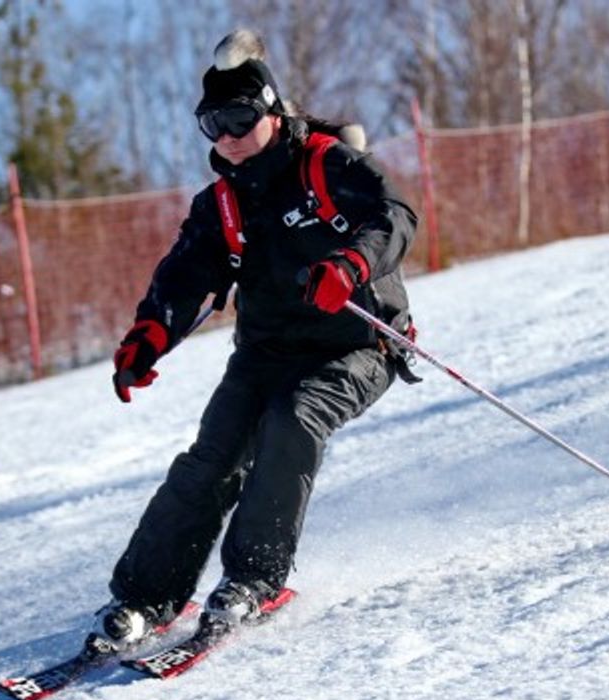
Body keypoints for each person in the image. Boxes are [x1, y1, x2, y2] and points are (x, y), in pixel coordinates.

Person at [92, 30, 418, 647]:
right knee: (210, 459)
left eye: (239, 119)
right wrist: (148, 338)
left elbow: (395, 215)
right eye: (211, 125)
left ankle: (252, 581)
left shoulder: (329, 164)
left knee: (294, 422)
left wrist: (350, 264)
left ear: (270, 110)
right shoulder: (221, 202)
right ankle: (144, 597)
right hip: (266, 354)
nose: (227, 138)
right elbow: (185, 276)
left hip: (356, 344)